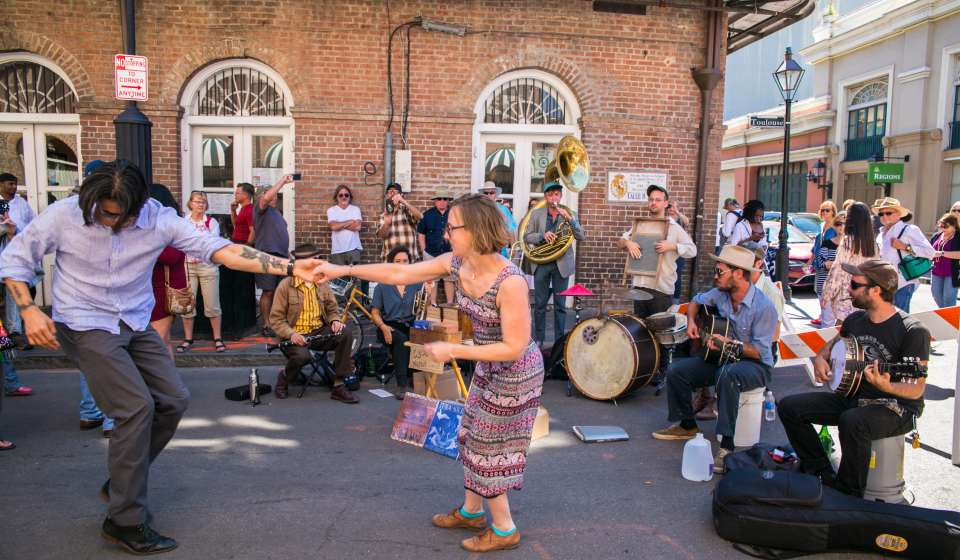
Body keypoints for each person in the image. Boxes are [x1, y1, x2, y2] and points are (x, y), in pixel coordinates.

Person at [0, 160, 325, 555]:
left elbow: (222, 250)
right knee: (135, 408)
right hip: (85, 322)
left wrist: (291, 266)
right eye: (103, 213)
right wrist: (30, 309)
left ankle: (122, 481)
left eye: (120, 215)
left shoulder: (160, 219)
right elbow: (15, 261)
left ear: (140, 205)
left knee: (173, 400)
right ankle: (125, 520)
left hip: (134, 320)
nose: (109, 221)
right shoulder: (64, 215)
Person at [316, 194, 544, 553]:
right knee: (468, 434)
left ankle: (504, 528)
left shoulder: (510, 281)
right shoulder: (457, 263)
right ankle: (472, 511)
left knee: (488, 445)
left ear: (477, 230)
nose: (446, 234)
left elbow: (514, 346)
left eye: (453, 227)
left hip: (516, 372)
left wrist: (455, 349)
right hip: (487, 363)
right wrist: (343, 270)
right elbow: (400, 272)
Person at [779, 259, 928, 497]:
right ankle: (820, 471)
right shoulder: (855, 320)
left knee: (852, 421)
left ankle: (849, 494)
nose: (848, 288)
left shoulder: (912, 330)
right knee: (789, 407)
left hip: (895, 407)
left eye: (855, 284)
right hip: (853, 396)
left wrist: (886, 385)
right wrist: (820, 357)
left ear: (876, 290)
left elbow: (917, 389)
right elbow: (835, 343)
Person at [651, 245, 777, 475]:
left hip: (755, 365)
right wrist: (691, 321)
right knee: (677, 370)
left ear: (738, 273)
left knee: (727, 375)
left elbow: (759, 351)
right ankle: (686, 424)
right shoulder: (720, 294)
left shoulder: (763, 307)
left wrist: (728, 343)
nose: (715, 276)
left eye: (720, 272)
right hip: (721, 357)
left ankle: (727, 446)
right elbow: (696, 301)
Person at [268, 243, 357, 403]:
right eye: (313, 259)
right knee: (302, 356)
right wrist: (291, 334)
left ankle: (338, 385)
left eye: (318, 259)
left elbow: (331, 308)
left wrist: (335, 320)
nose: (317, 263)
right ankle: (284, 378)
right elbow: (276, 319)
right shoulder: (286, 285)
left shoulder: (321, 282)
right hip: (293, 336)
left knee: (346, 333)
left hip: (317, 333)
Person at [616, 184, 696, 317]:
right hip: (639, 288)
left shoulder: (673, 227)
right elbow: (619, 242)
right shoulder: (641, 224)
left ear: (666, 203)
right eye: (651, 199)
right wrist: (628, 243)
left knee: (659, 334)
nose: (653, 203)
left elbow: (693, 250)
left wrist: (673, 246)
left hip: (661, 291)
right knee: (640, 331)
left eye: (658, 200)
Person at [523, 181, 586, 345]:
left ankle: (559, 343)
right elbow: (527, 236)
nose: (553, 197)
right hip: (542, 263)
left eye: (556, 194)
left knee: (560, 305)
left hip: (561, 264)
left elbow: (581, 236)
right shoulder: (536, 214)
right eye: (550, 194)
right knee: (540, 305)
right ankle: (538, 340)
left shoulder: (570, 212)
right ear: (545, 197)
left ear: (560, 195)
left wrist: (570, 220)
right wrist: (543, 235)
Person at [370, 245, 422, 399]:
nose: (402, 264)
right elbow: (375, 312)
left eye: (405, 261)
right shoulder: (382, 285)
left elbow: (425, 306)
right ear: (391, 263)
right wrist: (383, 326)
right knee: (401, 340)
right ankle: (402, 384)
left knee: (421, 336)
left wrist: (430, 291)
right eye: (398, 261)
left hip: (410, 323)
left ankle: (419, 377)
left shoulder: (416, 283)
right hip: (388, 324)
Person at [178, 191, 225, 353]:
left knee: (212, 304)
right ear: (190, 204)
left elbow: (213, 244)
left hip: (207, 266)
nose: (200, 205)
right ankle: (188, 339)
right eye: (197, 201)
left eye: (203, 202)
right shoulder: (183, 222)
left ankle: (217, 338)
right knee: (188, 305)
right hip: (187, 266)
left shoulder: (211, 223)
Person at [0, 172, 34, 397]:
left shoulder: (21, 205)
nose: (13, 187)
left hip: (11, 269)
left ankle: (11, 381)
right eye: (9, 183)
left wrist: (12, 231)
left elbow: (29, 233)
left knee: (2, 338)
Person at [874, 198, 935, 313]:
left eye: (888, 213)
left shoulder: (909, 230)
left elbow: (930, 252)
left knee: (900, 319)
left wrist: (905, 247)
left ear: (899, 214)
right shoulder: (881, 233)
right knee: (886, 318)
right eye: (881, 213)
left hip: (903, 283)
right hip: (884, 284)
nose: (884, 216)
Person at [820, 202, 877, 326]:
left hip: (847, 296)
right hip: (865, 296)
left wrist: (827, 294)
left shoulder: (847, 241)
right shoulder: (873, 243)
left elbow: (838, 271)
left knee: (841, 336)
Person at [148, 185, 186, 358]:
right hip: (152, 291)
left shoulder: (173, 226)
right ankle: (170, 382)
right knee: (164, 342)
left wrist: (145, 245)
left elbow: (171, 256)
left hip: (164, 292)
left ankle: (163, 382)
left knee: (156, 342)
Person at [254, 175, 293, 336]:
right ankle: (267, 324)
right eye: (271, 194)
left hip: (282, 257)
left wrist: (288, 254)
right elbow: (266, 197)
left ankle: (277, 322)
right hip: (266, 256)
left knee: (280, 292)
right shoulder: (260, 209)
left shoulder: (277, 213)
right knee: (268, 291)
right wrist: (283, 181)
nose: (275, 196)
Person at [221, 182, 258, 337]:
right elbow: (237, 225)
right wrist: (232, 211)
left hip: (243, 247)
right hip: (238, 244)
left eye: (238, 193)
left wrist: (246, 248)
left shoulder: (249, 210)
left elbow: (252, 230)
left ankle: (245, 323)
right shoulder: (242, 209)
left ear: (246, 195)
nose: (235, 195)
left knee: (243, 285)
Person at [418, 188, 454, 304]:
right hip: (431, 253)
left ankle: (450, 307)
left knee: (449, 280)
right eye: (439, 199)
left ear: (448, 201)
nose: (442, 201)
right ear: (435, 201)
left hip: (449, 253)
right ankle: (433, 306)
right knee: (432, 281)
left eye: (445, 199)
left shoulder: (453, 215)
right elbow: (421, 233)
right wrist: (423, 250)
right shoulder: (427, 215)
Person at [811, 202, 841, 326]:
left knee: (828, 298)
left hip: (832, 271)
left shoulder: (835, 229)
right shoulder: (821, 226)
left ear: (833, 212)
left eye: (827, 210)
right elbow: (816, 247)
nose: (824, 212)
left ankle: (827, 319)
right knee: (819, 291)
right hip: (819, 264)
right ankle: (823, 315)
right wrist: (809, 262)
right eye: (822, 210)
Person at [377, 182, 422, 262]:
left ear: (401, 195)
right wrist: (387, 223)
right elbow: (382, 236)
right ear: (387, 195)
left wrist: (403, 201)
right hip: (390, 259)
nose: (392, 194)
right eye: (390, 191)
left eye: (395, 192)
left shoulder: (406, 211)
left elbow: (420, 216)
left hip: (409, 258)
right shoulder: (384, 215)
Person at [327, 184, 362, 266]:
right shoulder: (331, 210)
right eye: (341, 195)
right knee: (340, 278)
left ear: (350, 197)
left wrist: (340, 224)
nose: (344, 197)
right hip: (337, 251)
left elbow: (358, 227)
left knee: (354, 277)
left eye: (346, 195)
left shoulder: (355, 209)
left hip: (353, 249)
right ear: (336, 197)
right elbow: (333, 227)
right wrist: (350, 221)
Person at [930, 213, 960, 308]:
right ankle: (945, 316)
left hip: (952, 272)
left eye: (945, 226)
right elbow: (929, 249)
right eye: (941, 226)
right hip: (936, 270)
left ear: (954, 225)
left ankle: (949, 320)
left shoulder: (958, 236)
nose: (943, 228)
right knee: (936, 294)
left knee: (948, 298)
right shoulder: (936, 236)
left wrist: (942, 253)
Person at [481, 181, 517, 256]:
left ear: (495, 195)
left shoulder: (503, 209)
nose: (488, 195)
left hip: (500, 251)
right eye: (486, 193)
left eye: (491, 193)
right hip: (482, 250)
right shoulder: (478, 210)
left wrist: (513, 248)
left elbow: (510, 229)